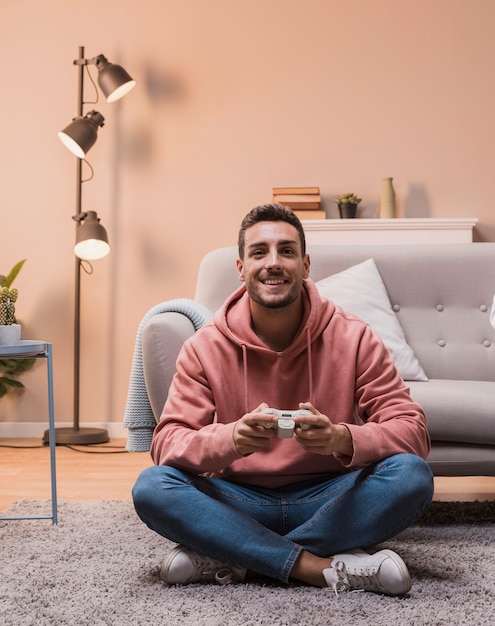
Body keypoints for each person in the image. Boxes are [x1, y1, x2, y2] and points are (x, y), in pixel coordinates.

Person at [132, 203, 434, 596]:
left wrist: (342, 439)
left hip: (330, 496)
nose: (273, 262)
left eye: (286, 251)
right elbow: (166, 442)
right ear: (241, 268)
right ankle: (316, 566)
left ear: (306, 265)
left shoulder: (355, 337)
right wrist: (231, 440)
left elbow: (413, 431)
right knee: (153, 487)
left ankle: (234, 552)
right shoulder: (203, 347)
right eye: (259, 252)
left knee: (411, 476)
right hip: (238, 498)